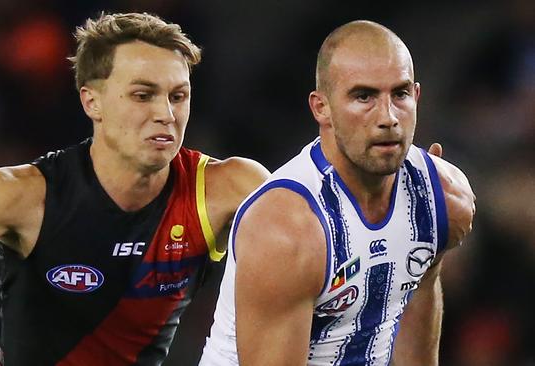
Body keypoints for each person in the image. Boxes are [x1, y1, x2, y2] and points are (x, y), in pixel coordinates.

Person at [0, 12, 269, 366]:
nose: (166, 114)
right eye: (142, 95)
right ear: (92, 101)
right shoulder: (31, 194)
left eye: (177, 96)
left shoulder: (226, 188)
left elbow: (314, 236)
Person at [200, 20, 476, 366]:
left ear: (417, 96)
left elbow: (417, 301)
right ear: (321, 108)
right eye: (364, 96)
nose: (388, 117)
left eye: (400, 94)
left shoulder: (443, 200)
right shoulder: (288, 230)